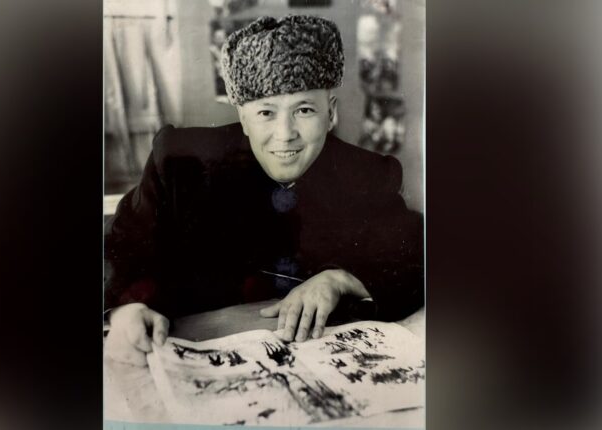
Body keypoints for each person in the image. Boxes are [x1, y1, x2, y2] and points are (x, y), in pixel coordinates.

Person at [103, 15, 424, 366]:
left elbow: (416, 256)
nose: (285, 134)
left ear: (330, 113)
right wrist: (125, 308)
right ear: (243, 118)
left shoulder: (368, 174)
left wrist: (342, 279)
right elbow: (120, 248)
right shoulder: (180, 162)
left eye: (304, 110)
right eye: (266, 113)